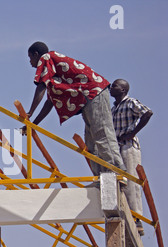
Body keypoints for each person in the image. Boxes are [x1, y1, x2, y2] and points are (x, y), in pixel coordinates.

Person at [22, 41, 126, 178]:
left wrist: (30, 112)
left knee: (102, 133)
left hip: (94, 92)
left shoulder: (46, 58)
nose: (30, 62)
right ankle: (102, 177)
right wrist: (33, 125)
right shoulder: (53, 73)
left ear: (36, 54)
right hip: (87, 99)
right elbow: (49, 103)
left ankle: (116, 172)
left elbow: (41, 87)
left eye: (30, 57)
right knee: (91, 142)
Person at [110, 79, 153, 235]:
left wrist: (133, 133)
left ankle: (136, 217)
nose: (111, 88)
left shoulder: (130, 102)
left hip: (128, 145)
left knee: (131, 179)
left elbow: (147, 113)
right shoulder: (113, 109)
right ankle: (124, 214)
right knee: (119, 182)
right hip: (117, 147)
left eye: (114, 86)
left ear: (123, 90)